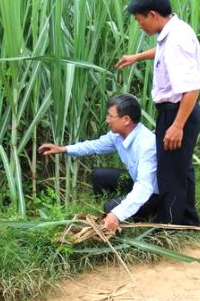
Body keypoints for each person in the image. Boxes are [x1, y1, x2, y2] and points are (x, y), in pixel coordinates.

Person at [114, 0, 200, 226]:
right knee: (180, 168)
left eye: (139, 19)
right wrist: (136, 57)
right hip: (175, 111)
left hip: (178, 111)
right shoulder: (172, 33)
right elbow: (162, 52)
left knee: (170, 172)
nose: (139, 25)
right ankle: (188, 220)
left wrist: (177, 126)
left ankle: (169, 226)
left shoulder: (176, 40)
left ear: (152, 14)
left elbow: (192, 88)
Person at [38, 94, 161, 232]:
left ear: (126, 119)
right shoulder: (117, 135)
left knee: (111, 208)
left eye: (110, 116)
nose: (107, 120)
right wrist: (63, 149)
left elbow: (144, 187)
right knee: (99, 175)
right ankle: (112, 207)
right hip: (136, 181)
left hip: (152, 195)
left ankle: (131, 219)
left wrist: (117, 214)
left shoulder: (146, 144)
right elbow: (94, 146)